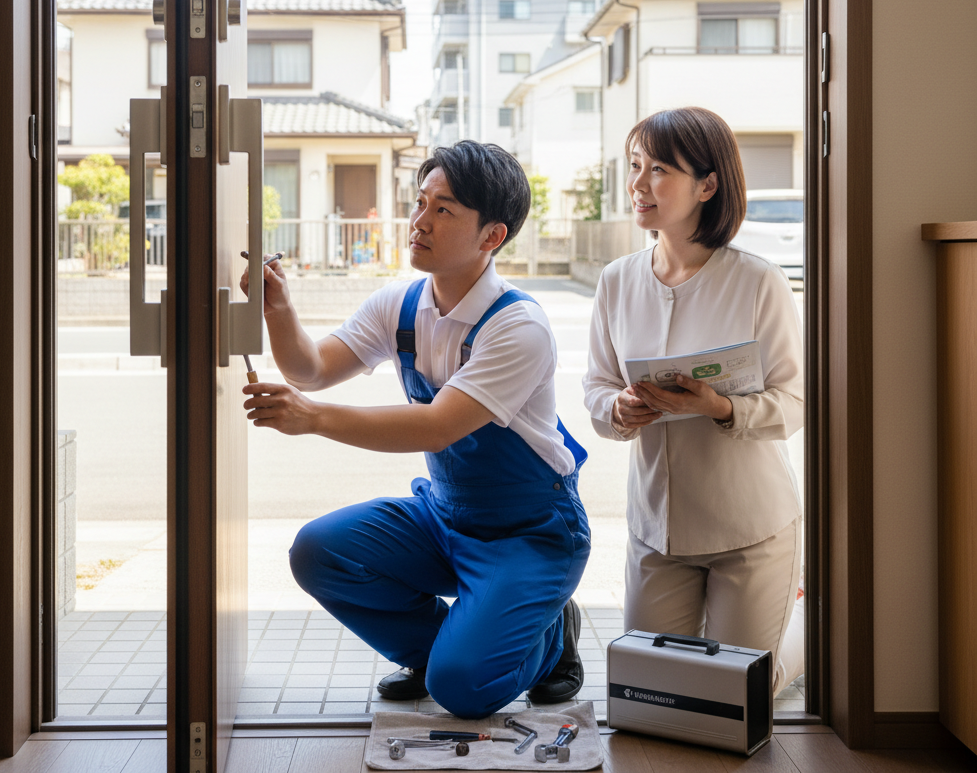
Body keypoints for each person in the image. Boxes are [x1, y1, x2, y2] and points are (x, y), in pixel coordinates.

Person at [241, 141, 591, 719]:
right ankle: (450, 649)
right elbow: (313, 369)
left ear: (492, 236)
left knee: (463, 694)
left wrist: (312, 418)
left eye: (444, 210)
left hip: (528, 533)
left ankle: (550, 637)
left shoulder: (518, 327)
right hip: (445, 516)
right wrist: (280, 311)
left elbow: (436, 427)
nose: (419, 222)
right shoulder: (399, 306)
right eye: (420, 202)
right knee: (319, 552)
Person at [582, 107, 804, 694]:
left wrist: (722, 408)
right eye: (634, 167)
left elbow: (796, 402)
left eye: (659, 169)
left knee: (739, 690)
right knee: (654, 689)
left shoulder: (758, 281)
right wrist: (618, 410)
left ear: (707, 184)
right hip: (658, 530)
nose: (637, 185)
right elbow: (597, 387)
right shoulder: (617, 281)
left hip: (749, 527)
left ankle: (804, 625)